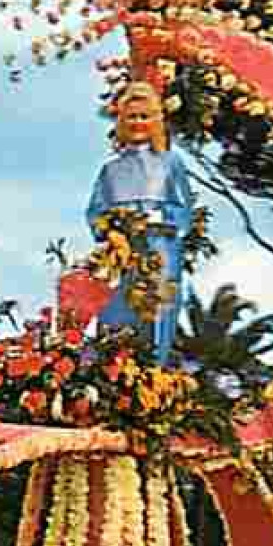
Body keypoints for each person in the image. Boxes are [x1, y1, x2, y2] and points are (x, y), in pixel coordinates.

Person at [86, 80, 196, 363]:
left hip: (160, 247)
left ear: (156, 120)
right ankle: (116, 369)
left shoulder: (170, 162)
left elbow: (185, 210)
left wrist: (157, 219)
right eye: (132, 116)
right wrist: (110, 230)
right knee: (118, 311)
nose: (138, 122)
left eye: (144, 116)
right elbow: (95, 211)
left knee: (158, 309)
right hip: (121, 252)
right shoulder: (111, 169)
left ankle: (156, 370)